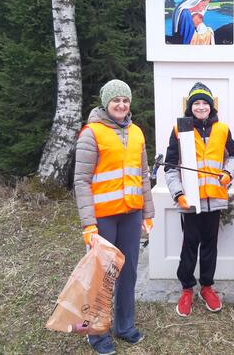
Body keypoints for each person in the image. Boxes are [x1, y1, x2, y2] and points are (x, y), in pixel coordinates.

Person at [74, 79, 154, 354]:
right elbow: (81, 181)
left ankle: (124, 325)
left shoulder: (137, 133)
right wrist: (89, 224)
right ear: (105, 103)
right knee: (102, 275)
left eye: (125, 101)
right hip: (103, 218)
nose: (121, 105)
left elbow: (143, 175)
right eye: (116, 100)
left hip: (131, 214)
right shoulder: (91, 133)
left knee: (128, 271)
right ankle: (96, 333)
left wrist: (148, 212)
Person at [164, 82, 234, 317]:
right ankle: (187, 288)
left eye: (204, 103)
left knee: (210, 245)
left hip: (215, 199)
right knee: (189, 246)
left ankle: (207, 287)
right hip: (191, 201)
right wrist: (179, 194)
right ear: (190, 107)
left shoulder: (223, 129)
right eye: (196, 103)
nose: (200, 107)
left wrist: (227, 174)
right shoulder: (181, 130)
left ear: (211, 106)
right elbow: (170, 167)